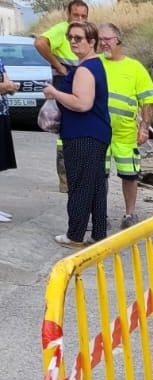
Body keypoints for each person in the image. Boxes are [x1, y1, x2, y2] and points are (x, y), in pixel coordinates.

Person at [41, 21, 110, 247]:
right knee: (96, 186)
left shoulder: (84, 69)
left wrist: (54, 93)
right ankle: (98, 233)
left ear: (92, 42)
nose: (73, 42)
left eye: (79, 38)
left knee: (80, 186)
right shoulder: (94, 65)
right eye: (71, 37)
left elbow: (82, 103)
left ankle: (75, 235)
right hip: (95, 134)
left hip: (82, 135)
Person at [98, 23, 153, 228]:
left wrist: (144, 127)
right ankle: (100, 215)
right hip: (99, 133)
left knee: (130, 175)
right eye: (100, 39)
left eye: (107, 39)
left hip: (125, 135)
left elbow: (148, 100)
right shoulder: (95, 64)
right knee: (99, 176)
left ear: (118, 40)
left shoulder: (134, 68)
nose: (103, 43)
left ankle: (129, 215)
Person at [35, 0, 88, 194]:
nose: (80, 19)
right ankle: (66, 180)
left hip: (79, 87)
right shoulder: (62, 30)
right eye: (76, 15)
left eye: (84, 16)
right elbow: (40, 42)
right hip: (65, 87)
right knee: (65, 133)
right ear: (68, 15)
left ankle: (76, 177)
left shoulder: (86, 33)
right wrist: (58, 66)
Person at [0, 52, 16, 221]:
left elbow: (7, 81)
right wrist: (7, 86)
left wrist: (9, 86)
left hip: (2, 112)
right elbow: (6, 85)